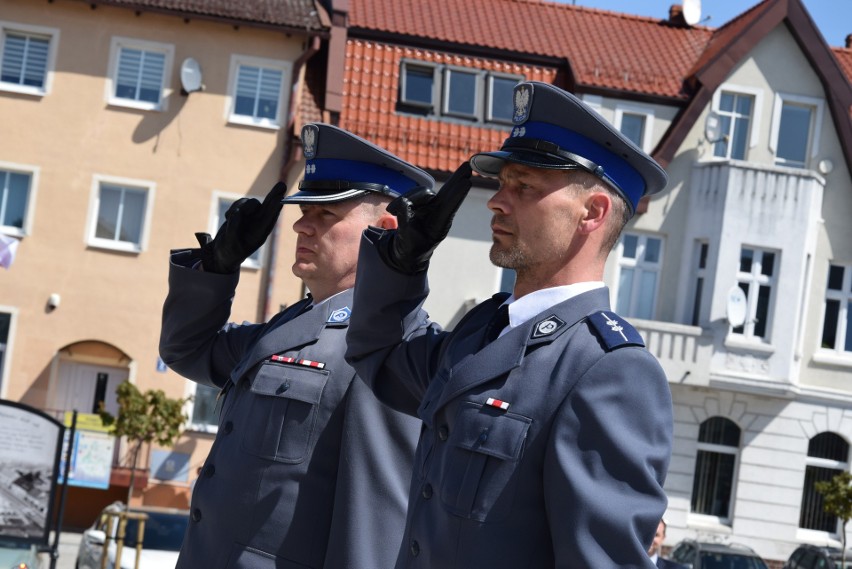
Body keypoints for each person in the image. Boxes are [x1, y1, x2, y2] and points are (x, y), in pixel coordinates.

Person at [345, 81, 674, 568]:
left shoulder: (609, 372)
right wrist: (401, 265)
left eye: (524, 187)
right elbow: (381, 355)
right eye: (501, 185)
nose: (497, 202)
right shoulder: (484, 331)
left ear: (593, 212)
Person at [159, 123, 431, 569]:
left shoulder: (386, 348)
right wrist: (216, 268)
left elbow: (371, 527)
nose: (302, 225)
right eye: (305, 211)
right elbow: (187, 349)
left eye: (327, 215)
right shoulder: (289, 326)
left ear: (385, 229)